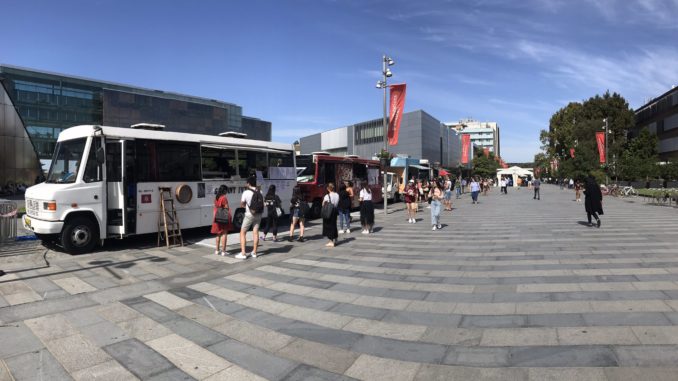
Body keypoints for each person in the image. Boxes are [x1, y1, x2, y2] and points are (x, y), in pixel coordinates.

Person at [237, 176, 263, 259]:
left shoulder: (246, 192)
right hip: (259, 214)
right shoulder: (260, 191)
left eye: (246, 183)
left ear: (248, 183)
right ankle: (254, 252)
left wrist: (246, 206)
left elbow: (242, 204)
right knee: (255, 232)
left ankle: (243, 253)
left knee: (242, 232)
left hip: (249, 214)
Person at [211, 185, 232, 256]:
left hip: (217, 216)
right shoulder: (224, 198)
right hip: (223, 217)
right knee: (224, 234)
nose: (227, 192)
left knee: (218, 233)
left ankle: (217, 250)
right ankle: (223, 251)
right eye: (226, 190)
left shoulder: (216, 197)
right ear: (224, 191)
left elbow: (216, 206)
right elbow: (226, 208)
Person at [322, 183, 340, 247]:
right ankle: (336, 239)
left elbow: (323, 204)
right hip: (335, 210)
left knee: (329, 225)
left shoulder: (327, 196)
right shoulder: (337, 195)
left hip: (329, 211)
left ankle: (331, 241)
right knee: (334, 225)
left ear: (328, 188)